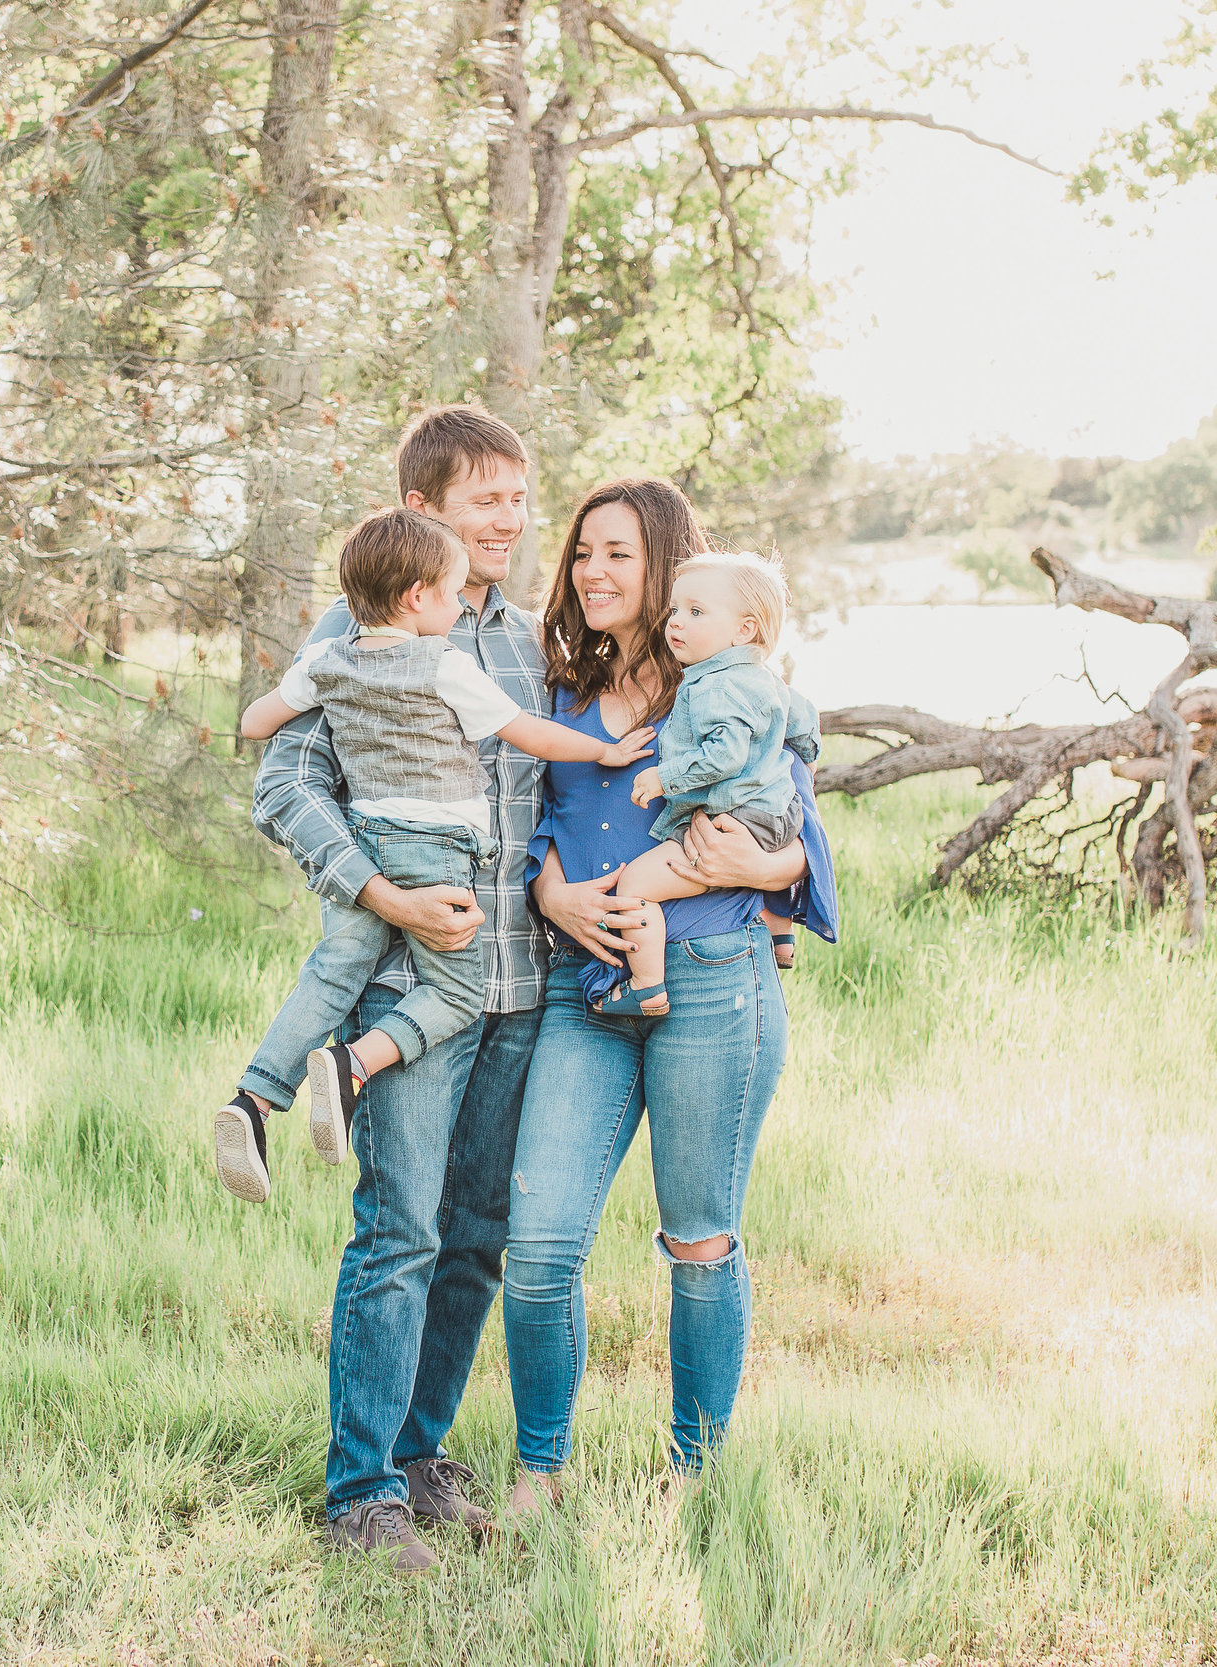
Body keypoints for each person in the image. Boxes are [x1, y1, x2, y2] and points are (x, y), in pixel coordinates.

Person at [253, 414, 808, 1574]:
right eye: (483, 501)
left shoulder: (546, 650)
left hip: (529, 990)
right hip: (420, 974)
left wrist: (770, 873)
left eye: (520, 500)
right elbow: (287, 782)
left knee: (481, 1238)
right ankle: (361, 1493)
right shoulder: (370, 628)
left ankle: (419, 1455)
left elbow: (767, 804)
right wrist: (385, 897)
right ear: (419, 506)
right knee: (399, 1226)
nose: (511, 521)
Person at [503, 478, 839, 1517]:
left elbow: (801, 844)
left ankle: (696, 1469)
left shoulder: (732, 690)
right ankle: (539, 1472)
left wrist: (768, 870)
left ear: (666, 568)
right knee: (540, 1244)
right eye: (581, 554)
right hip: (582, 993)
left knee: (699, 1238)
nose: (592, 573)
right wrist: (550, 889)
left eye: (619, 555)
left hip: (710, 985)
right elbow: (524, 837)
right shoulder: (554, 698)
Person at [219, 509, 654, 1201]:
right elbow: (527, 733)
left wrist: (308, 692)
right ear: (417, 596)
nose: (459, 607)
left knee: (333, 970)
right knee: (457, 991)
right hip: (435, 854)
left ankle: (255, 1099)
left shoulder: (329, 661)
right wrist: (604, 749)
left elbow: (253, 722)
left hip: (364, 847)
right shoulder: (443, 662)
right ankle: (353, 1064)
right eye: (452, 595)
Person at [582, 554, 822, 1017]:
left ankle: (645, 985)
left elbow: (724, 755)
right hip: (777, 811)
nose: (675, 622)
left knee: (634, 886)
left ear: (744, 630)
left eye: (695, 612)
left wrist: (663, 777)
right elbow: (806, 720)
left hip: (735, 815)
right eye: (674, 610)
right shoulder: (766, 678)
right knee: (763, 858)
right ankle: (781, 936)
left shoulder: (715, 685)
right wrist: (806, 764)